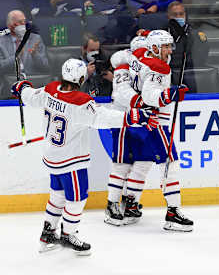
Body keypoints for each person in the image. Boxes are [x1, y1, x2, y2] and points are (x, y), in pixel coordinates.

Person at [11, 58, 159, 255]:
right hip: (71, 160)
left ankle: (48, 233)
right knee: (77, 198)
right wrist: (136, 116)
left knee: (57, 195)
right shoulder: (80, 103)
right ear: (80, 78)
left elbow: (30, 96)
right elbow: (104, 118)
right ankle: (68, 235)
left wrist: (22, 88)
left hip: (52, 157)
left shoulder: (50, 89)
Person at [105, 31, 193, 231]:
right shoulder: (157, 66)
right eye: (166, 47)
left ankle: (129, 205)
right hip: (155, 120)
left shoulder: (138, 57)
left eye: (171, 46)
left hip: (142, 119)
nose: (170, 51)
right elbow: (150, 94)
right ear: (153, 48)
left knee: (142, 163)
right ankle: (173, 212)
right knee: (169, 163)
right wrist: (171, 94)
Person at [165, 1, 210, 91]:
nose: (178, 17)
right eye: (175, 14)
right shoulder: (162, 35)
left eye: (181, 14)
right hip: (167, 77)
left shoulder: (196, 35)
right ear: (168, 16)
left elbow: (199, 60)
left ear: (185, 15)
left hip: (191, 77)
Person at [0, 10, 49, 78]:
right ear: (10, 26)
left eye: (24, 21)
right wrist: (16, 57)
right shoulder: (1, 42)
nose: (24, 24)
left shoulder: (35, 39)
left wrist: (35, 55)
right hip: (11, 81)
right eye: (20, 22)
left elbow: (46, 66)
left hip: (33, 80)